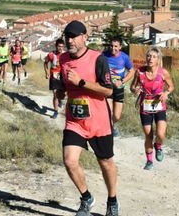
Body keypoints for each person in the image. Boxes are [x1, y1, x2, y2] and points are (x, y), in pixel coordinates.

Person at [58, 20, 120, 216]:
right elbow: (64, 83)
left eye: (74, 36)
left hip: (98, 121)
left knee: (106, 163)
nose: (70, 40)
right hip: (74, 121)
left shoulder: (98, 59)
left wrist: (82, 82)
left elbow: (109, 91)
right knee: (69, 160)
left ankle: (112, 200)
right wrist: (60, 91)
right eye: (67, 36)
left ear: (85, 37)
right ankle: (86, 199)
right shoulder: (63, 59)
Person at [130, 46, 175, 171]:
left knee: (160, 134)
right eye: (149, 56)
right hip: (145, 107)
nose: (150, 58)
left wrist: (166, 93)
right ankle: (149, 161)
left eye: (154, 56)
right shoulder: (140, 72)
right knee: (148, 135)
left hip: (159, 105)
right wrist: (136, 90)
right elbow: (132, 87)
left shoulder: (163, 72)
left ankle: (158, 145)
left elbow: (171, 87)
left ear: (158, 59)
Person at [103, 37, 134, 137]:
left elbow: (132, 71)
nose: (113, 48)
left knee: (116, 115)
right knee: (108, 111)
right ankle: (109, 129)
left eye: (116, 46)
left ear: (120, 47)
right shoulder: (104, 55)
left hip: (119, 89)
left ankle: (113, 124)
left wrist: (122, 81)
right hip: (107, 88)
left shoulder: (124, 57)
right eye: (111, 46)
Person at [44, 38, 65, 119]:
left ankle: (60, 100)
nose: (61, 48)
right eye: (59, 46)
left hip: (62, 76)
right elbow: (45, 63)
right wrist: (47, 73)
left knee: (62, 94)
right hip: (54, 76)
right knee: (55, 95)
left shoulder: (65, 54)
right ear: (56, 46)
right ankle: (55, 112)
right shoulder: (51, 54)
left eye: (62, 47)